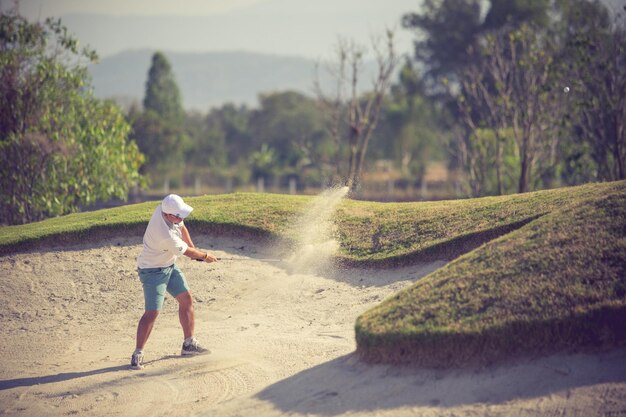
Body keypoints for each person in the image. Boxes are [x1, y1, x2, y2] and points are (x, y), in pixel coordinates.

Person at [131, 194, 217, 370]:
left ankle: (188, 344)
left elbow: (182, 227)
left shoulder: (166, 210)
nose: (181, 218)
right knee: (152, 312)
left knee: (186, 299)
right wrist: (205, 256)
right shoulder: (164, 234)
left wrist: (193, 247)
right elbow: (187, 252)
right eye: (178, 215)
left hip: (168, 265)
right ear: (169, 215)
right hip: (152, 271)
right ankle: (137, 353)